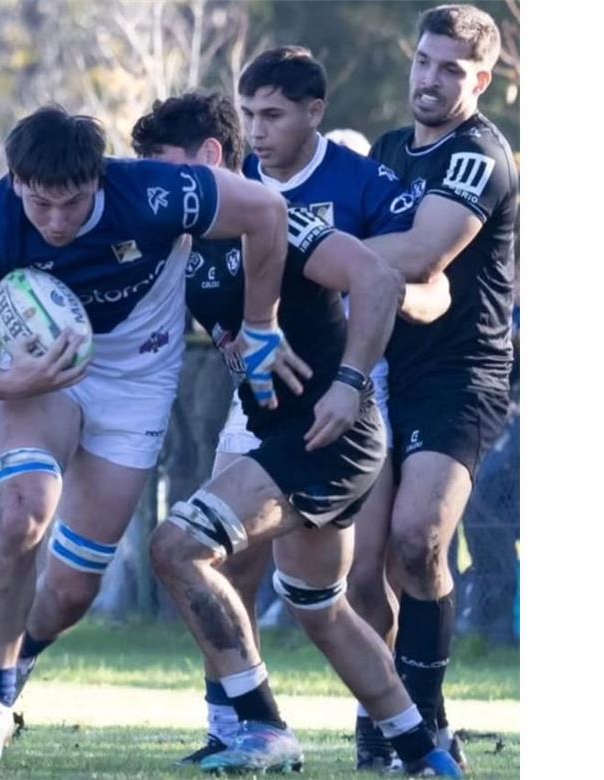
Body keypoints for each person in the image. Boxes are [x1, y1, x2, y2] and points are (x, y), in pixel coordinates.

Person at [0, 104, 305, 767]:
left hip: (136, 387)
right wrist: (14, 382)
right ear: (16, 182)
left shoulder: (152, 191)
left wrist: (261, 321)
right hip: (43, 380)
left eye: (71, 204)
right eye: (40, 205)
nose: (57, 221)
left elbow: (267, 214)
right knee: (20, 519)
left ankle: (21, 666)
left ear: (98, 180)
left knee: (73, 592)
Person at [130, 91, 461, 777]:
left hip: (327, 438)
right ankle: (426, 756)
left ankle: (261, 728)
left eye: (163, 169)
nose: (154, 188)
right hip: (287, 436)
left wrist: (350, 382)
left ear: (209, 160)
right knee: (321, 607)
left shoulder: (276, 221)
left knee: (177, 547)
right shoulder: (180, 238)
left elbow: (374, 275)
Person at [203, 44, 437, 770]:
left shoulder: (363, 183)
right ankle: (231, 726)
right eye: (247, 114)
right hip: (260, 402)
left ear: (315, 113)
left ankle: (386, 728)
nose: (258, 130)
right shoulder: (234, 181)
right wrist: (235, 337)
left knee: (358, 580)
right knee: (217, 561)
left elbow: (431, 288)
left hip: (350, 399)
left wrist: (350, 308)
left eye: (272, 115)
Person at [360, 5, 520, 770]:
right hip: (383, 364)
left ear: (483, 79)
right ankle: (392, 721)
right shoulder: (388, 149)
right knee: (366, 573)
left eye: (452, 68)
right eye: (424, 61)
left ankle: (419, 722)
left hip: (463, 375)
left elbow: (423, 252)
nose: (431, 78)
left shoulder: (481, 154)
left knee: (418, 539)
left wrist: (322, 252)